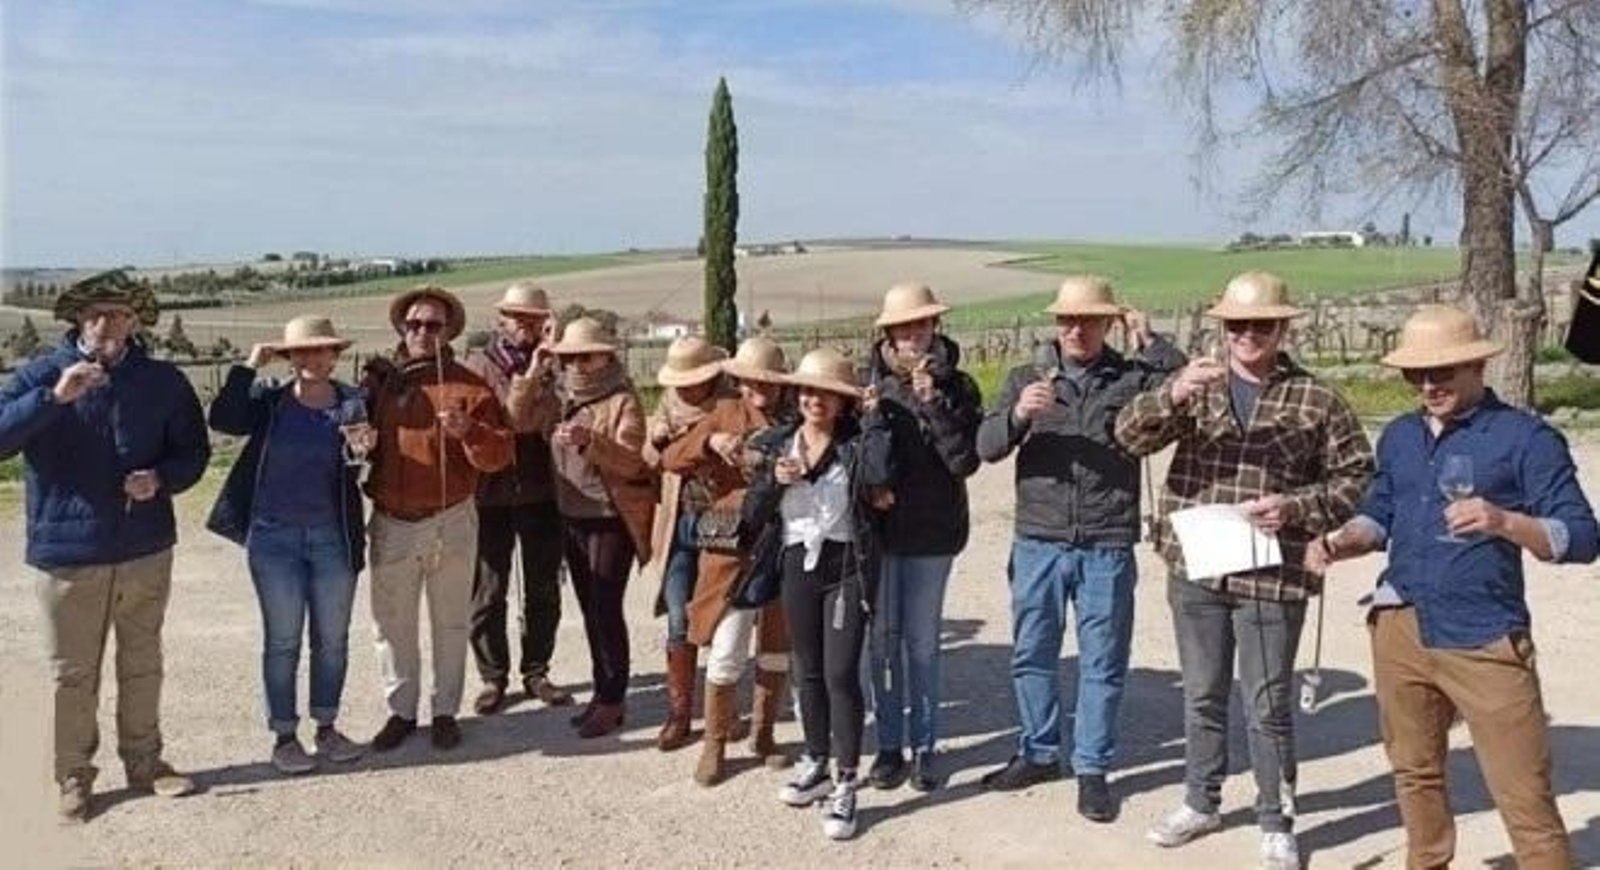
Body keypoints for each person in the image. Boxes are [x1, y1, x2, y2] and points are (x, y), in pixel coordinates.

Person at [1307, 305, 1598, 870]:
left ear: (1476, 367)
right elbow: (1380, 513)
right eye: (1415, 375)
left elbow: (1583, 536)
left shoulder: (1527, 439)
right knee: (1414, 773)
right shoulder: (1398, 436)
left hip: (1485, 635)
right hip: (1399, 626)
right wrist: (1345, 540)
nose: (1428, 385)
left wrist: (1505, 521)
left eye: (1442, 372)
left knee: (1523, 793)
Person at [1115, 271, 1374, 870]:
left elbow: (1358, 478)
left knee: (1266, 702)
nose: (1248, 336)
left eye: (1261, 325)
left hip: (1273, 572)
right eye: (1237, 325)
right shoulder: (1197, 386)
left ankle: (1275, 819)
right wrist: (1172, 393)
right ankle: (1200, 802)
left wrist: (1296, 508)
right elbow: (1127, 437)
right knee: (1203, 694)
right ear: (1223, 329)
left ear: (1282, 329)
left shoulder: (1319, 399)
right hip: (1198, 566)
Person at [0, 270, 209, 821]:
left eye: (118, 314)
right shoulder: (41, 374)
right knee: (71, 673)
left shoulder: (163, 381)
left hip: (145, 546)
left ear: (135, 322)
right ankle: (71, 776)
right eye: (96, 313)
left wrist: (160, 479)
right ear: (76, 321)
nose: (107, 324)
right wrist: (53, 398)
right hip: (68, 554)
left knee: (143, 662)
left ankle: (146, 763)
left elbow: (193, 453)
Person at [975, 275, 1186, 821]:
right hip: (1039, 539)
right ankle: (1039, 751)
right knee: (1032, 653)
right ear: (1056, 324)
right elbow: (986, 446)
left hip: (1106, 540)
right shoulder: (1027, 377)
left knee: (1103, 661)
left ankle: (1092, 768)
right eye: (1068, 319)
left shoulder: (1131, 377)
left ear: (1107, 323)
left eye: (1089, 319)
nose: (1076, 329)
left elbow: (1184, 384)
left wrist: (1150, 340)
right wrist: (1020, 414)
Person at [205, 315, 370, 774]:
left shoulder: (354, 405)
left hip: (332, 537)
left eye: (321, 351)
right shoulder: (268, 401)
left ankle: (327, 728)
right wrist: (248, 367)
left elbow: (360, 467)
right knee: (282, 641)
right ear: (288, 356)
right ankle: (284, 736)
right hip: (273, 537)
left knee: (332, 640)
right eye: (301, 351)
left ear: (336, 355)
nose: (312, 359)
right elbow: (223, 419)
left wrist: (367, 453)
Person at [742, 347, 892, 841]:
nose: (815, 401)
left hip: (846, 564)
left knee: (840, 672)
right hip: (795, 563)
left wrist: (872, 422)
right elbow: (752, 515)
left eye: (827, 393)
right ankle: (817, 761)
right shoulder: (778, 442)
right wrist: (773, 482)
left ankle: (847, 783)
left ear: (843, 401)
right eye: (807, 391)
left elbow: (877, 480)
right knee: (806, 670)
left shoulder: (856, 442)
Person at [362, 285, 514, 752]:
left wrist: (470, 431)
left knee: (450, 621)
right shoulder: (379, 384)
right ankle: (402, 711)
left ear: (448, 331)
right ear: (401, 329)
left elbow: (500, 455)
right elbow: (348, 439)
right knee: (391, 623)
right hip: (392, 518)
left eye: (433, 325)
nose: (423, 332)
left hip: (451, 518)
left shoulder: (471, 386)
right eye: (414, 324)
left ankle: (445, 709)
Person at [508, 317, 657, 739]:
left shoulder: (622, 400)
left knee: (606, 609)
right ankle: (604, 694)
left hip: (609, 518)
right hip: (570, 514)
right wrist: (535, 369)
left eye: (584, 356)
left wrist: (590, 441)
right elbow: (517, 419)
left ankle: (612, 699)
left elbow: (632, 461)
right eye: (568, 356)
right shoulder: (557, 395)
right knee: (591, 609)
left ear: (604, 356)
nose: (576, 364)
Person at [861, 282, 983, 793]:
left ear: (936, 327)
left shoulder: (960, 386)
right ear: (888, 332)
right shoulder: (868, 387)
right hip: (880, 534)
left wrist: (933, 404)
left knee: (923, 646)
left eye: (922, 324)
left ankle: (926, 746)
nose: (913, 334)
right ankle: (889, 746)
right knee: (882, 645)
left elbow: (965, 460)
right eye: (903, 327)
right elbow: (855, 464)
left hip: (933, 533)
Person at [659, 336, 795, 785]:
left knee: (776, 650)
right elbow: (671, 459)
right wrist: (710, 442)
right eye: (751, 381)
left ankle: (764, 735)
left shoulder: (799, 417)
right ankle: (714, 743)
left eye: (768, 382)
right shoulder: (722, 412)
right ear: (738, 378)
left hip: (786, 543)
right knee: (726, 648)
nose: (759, 390)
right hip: (732, 546)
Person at [462, 282, 573, 715]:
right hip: (490, 490)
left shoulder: (558, 365)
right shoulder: (477, 367)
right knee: (488, 589)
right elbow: (509, 421)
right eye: (519, 318)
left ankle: (537, 669)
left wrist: (553, 364)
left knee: (543, 586)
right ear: (501, 320)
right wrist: (533, 379)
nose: (527, 326)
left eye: (534, 318)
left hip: (543, 488)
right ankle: (493, 677)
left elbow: (555, 419)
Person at [640, 335, 732, 750]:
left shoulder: (730, 405)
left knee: (716, 612)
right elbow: (648, 459)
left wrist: (695, 444)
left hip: (720, 517)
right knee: (679, 613)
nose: (686, 387)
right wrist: (656, 439)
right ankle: (679, 713)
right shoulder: (668, 402)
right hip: (679, 516)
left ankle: (719, 709)